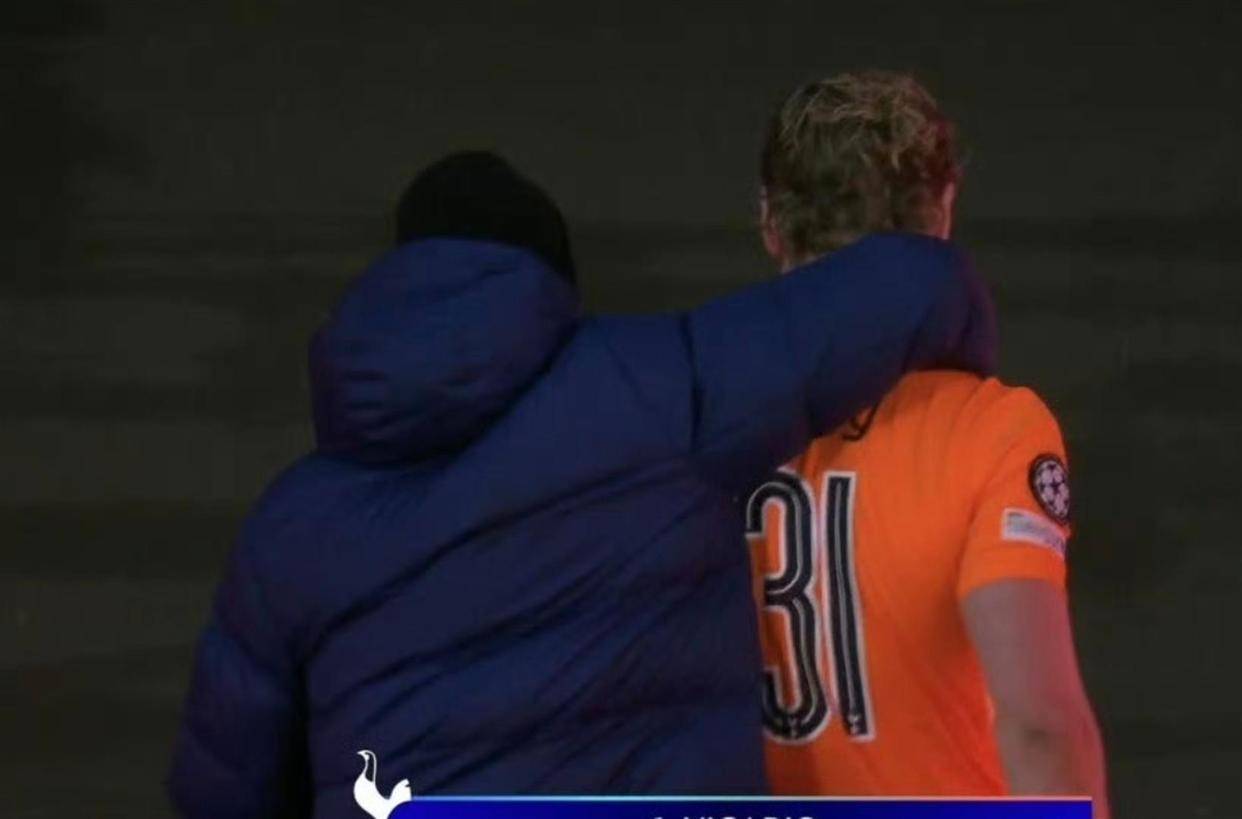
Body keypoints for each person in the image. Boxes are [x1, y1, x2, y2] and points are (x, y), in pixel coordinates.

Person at [168, 150, 995, 817]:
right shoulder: (660, 387)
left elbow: (221, 792)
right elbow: (916, 286)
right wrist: (956, 403)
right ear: (551, 284)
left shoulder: (292, 528)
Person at [746, 72, 1109, 815]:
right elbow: (1040, 727)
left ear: (771, 224)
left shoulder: (681, 427)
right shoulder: (993, 431)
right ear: (942, 213)